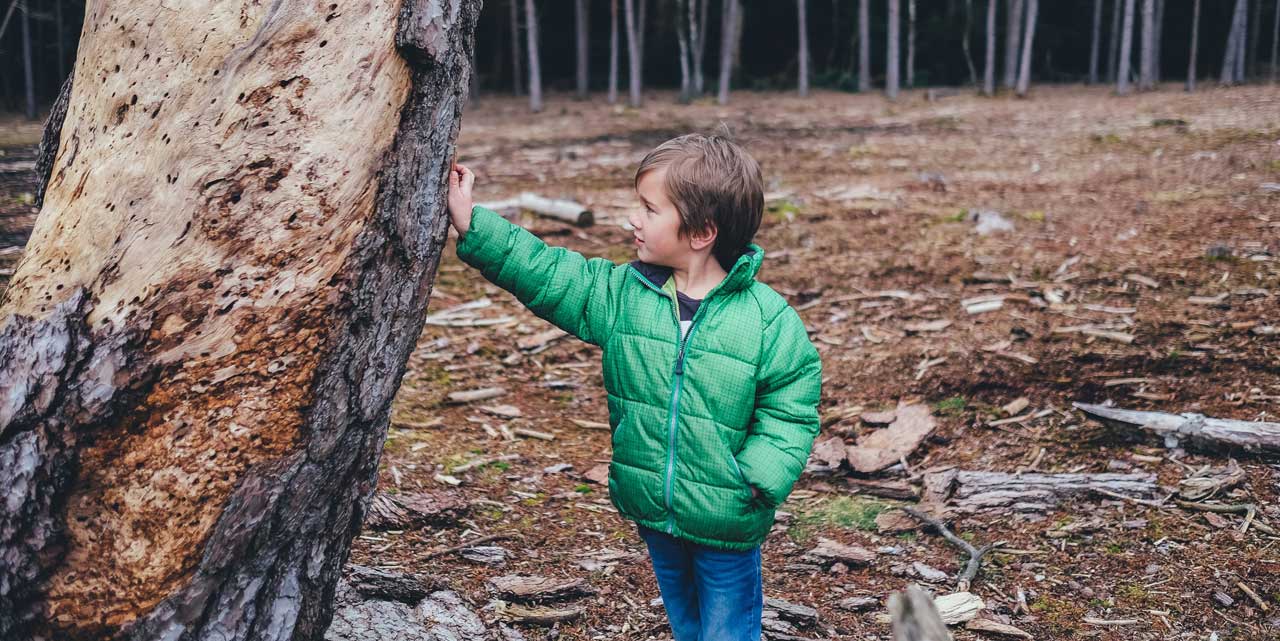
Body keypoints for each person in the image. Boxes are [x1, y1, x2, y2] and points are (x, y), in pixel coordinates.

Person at [446, 133, 821, 641]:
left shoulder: (766, 320)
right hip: (652, 507)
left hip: (728, 517)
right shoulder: (625, 294)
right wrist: (475, 224)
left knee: (729, 631)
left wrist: (755, 479)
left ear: (701, 232)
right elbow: (550, 274)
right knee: (686, 623)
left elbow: (792, 407)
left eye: (649, 208)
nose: (633, 219)